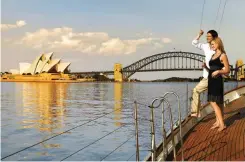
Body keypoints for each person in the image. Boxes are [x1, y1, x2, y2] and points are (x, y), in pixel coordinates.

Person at [191, 30, 218, 117]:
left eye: (209, 36)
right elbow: (194, 43)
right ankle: (219, 120)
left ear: (214, 37)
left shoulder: (217, 49)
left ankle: (196, 112)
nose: (207, 38)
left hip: (212, 76)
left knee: (196, 90)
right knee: (213, 100)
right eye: (206, 36)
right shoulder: (206, 46)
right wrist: (199, 35)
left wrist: (207, 67)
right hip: (206, 76)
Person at [207, 37, 230, 131]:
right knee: (216, 102)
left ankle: (222, 124)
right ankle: (217, 122)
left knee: (212, 102)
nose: (211, 46)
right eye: (211, 44)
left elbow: (227, 70)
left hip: (217, 81)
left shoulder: (223, 55)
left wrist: (218, 72)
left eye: (213, 44)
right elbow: (212, 70)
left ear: (218, 44)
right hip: (211, 81)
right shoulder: (213, 55)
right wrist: (205, 67)